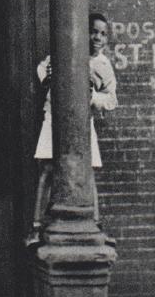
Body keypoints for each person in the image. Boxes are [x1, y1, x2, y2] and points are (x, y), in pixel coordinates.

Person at [28, 12, 118, 245]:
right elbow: (41, 69)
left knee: (87, 173)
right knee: (47, 170)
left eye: (103, 34)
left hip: (81, 123)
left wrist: (93, 96)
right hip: (54, 118)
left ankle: (96, 225)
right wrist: (48, 81)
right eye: (93, 31)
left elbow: (111, 99)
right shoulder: (64, 53)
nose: (97, 37)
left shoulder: (103, 65)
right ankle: (36, 227)